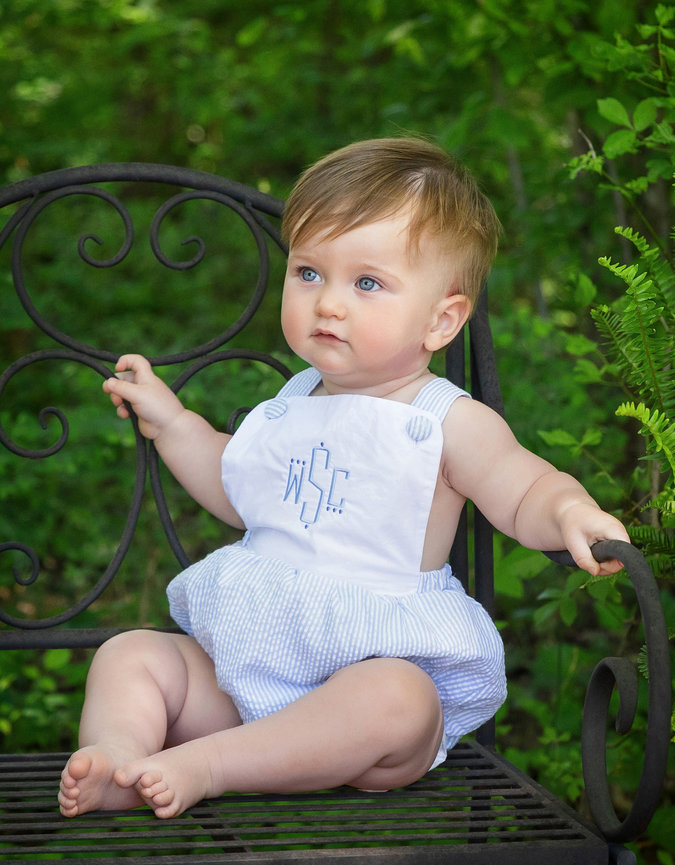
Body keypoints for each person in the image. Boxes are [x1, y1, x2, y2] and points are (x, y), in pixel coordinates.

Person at [58, 137, 629, 821]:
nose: (329, 302)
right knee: (134, 654)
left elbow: (522, 485)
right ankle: (121, 755)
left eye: (366, 283)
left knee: (399, 697)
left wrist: (568, 508)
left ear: (441, 319)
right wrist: (173, 421)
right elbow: (234, 488)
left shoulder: (444, 420)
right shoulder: (292, 402)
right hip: (251, 679)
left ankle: (208, 764)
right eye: (308, 273)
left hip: (361, 705)